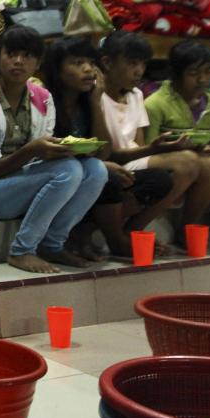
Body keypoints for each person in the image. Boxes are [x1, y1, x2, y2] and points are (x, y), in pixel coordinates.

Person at [0, 27, 108, 273]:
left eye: (27, 55)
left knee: (96, 169)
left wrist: (58, 150)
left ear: (38, 62)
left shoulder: (42, 97)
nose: (18, 61)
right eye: (11, 54)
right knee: (69, 170)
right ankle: (22, 250)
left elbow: (43, 155)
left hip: (29, 182)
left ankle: (52, 244)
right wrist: (33, 150)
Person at [43, 36, 172, 260]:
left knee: (159, 180)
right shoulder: (45, 101)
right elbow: (48, 154)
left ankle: (85, 232)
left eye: (90, 63)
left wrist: (95, 103)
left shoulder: (88, 100)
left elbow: (102, 151)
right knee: (107, 178)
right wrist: (103, 164)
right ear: (57, 70)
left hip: (89, 171)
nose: (88, 70)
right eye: (77, 63)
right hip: (58, 176)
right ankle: (116, 241)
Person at [97, 31, 210, 255]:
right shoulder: (96, 97)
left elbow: (138, 145)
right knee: (186, 163)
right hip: (112, 162)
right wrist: (158, 149)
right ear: (107, 63)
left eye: (142, 63)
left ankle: (184, 233)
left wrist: (164, 148)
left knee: (208, 165)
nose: (139, 71)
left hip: (135, 158)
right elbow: (107, 151)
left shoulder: (136, 95)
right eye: (131, 63)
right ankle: (132, 231)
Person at [143, 40, 210, 240]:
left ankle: (193, 230)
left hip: (204, 161)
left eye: (207, 72)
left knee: (209, 163)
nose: (202, 80)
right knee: (200, 162)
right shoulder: (155, 104)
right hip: (167, 162)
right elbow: (148, 147)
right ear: (176, 73)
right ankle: (185, 230)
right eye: (193, 73)